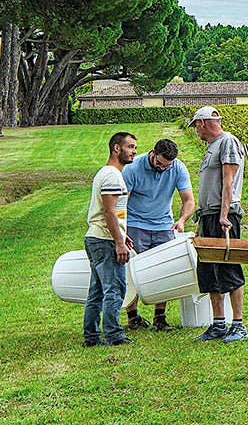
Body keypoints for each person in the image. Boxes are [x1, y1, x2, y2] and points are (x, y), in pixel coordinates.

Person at [188, 106, 248, 343]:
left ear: (202, 123)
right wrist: (203, 219)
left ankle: (238, 325)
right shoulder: (211, 148)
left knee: (228, 268)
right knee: (209, 269)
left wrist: (224, 215)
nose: (196, 132)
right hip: (209, 216)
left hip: (223, 216)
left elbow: (229, 181)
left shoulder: (227, 142)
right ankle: (218, 324)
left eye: (196, 127)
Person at [120, 138, 195, 330]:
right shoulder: (133, 168)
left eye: (166, 166)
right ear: (153, 152)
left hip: (163, 225)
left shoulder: (177, 168)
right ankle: (133, 317)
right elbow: (122, 203)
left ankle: (160, 318)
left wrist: (182, 220)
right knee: (133, 270)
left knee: (164, 270)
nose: (162, 169)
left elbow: (188, 200)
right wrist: (123, 230)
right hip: (136, 223)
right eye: (159, 164)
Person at [84, 131, 137, 347]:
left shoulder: (105, 173)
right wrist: (119, 242)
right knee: (115, 288)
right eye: (130, 147)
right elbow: (109, 212)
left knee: (97, 291)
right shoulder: (113, 176)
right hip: (105, 240)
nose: (134, 151)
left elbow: (115, 213)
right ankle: (114, 335)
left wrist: (124, 236)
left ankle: (92, 336)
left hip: (97, 238)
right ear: (117, 148)